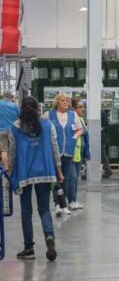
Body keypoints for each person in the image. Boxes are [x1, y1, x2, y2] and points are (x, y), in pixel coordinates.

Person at [7, 97, 63, 261]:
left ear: (21, 108)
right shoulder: (47, 124)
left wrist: (10, 172)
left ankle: (29, 248)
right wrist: (59, 171)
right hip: (45, 171)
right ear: (38, 108)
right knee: (44, 209)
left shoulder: (15, 127)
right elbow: (54, 148)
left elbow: (12, 153)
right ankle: (49, 235)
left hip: (24, 173)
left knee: (26, 211)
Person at [44, 93, 84, 217]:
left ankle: (64, 204)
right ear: (57, 102)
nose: (66, 102)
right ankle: (57, 204)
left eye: (67, 100)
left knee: (65, 178)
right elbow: (41, 128)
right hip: (53, 151)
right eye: (62, 100)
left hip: (68, 151)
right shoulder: (48, 115)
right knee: (55, 179)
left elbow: (80, 129)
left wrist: (74, 137)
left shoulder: (73, 115)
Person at [69, 99, 90, 210]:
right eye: (80, 107)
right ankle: (69, 201)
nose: (83, 109)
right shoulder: (70, 120)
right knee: (72, 178)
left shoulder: (81, 119)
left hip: (79, 152)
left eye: (83, 107)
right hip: (71, 153)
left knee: (75, 178)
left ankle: (73, 199)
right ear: (74, 109)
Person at [0, 90, 19, 167]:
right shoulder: (14, 106)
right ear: (10, 96)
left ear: (3, 95)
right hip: (12, 130)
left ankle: (6, 168)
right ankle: (12, 168)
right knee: (12, 149)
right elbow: (19, 117)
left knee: (4, 150)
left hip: (1, 130)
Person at [101, 109, 112, 179]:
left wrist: (102, 128)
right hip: (98, 136)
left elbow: (106, 125)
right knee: (102, 154)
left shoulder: (101, 113)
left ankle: (107, 170)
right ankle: (107, 170)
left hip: (101, 137)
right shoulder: (99, 112)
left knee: (102, 154)